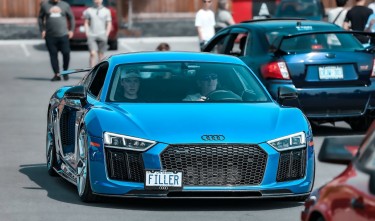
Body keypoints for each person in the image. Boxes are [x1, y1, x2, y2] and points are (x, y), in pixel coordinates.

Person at [38, 0, 75, 81]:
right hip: (50, 36)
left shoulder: (65, 5)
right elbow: (40, 18)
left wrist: (71, 30)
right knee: (53, 55)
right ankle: (56, 74)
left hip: (63, 35)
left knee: (66, 53)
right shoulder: (45, 5)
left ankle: (65, 71)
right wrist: (42, 30)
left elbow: (71, 17)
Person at [83, 0, 112, 68]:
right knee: (93, 54)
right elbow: (86, 23)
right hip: (92, 35)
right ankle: (91, 71)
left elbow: (109, 23)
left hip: (102, 35)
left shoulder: (106, 11)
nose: (97, 1)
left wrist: (107, 34)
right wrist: (87, 33)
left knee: (101, 55)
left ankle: (100, 73)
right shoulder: (89, 10)